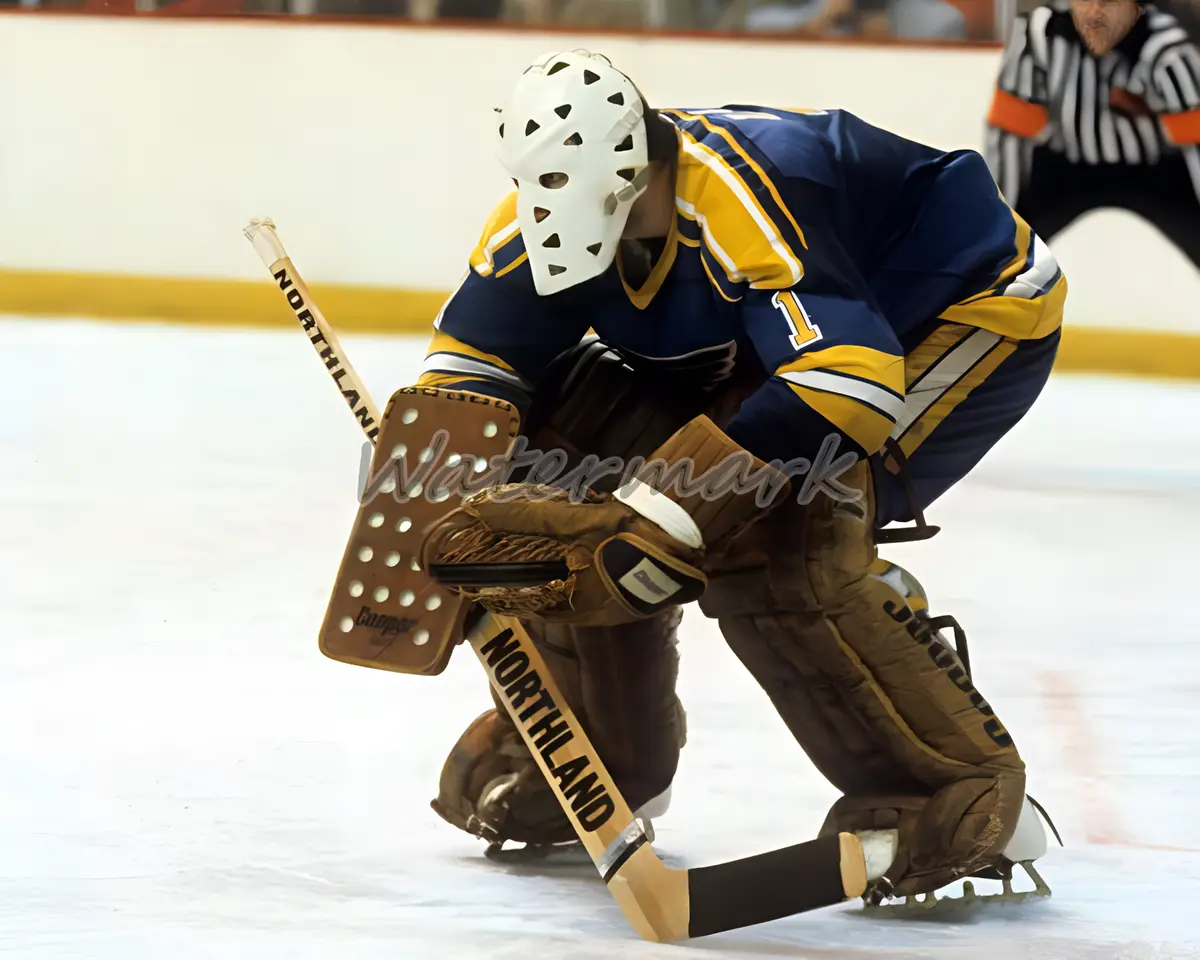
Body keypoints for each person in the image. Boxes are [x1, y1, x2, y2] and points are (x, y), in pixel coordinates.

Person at [415, 50, 1062, 906]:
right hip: (778, 349)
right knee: (556, 465)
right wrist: (425, 502)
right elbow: (465, 385)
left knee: (783, 536)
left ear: (629, 170)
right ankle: (608, 759)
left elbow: (848, 382)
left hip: (957, 311)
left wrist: (662, 517)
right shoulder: (540, 220)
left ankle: (950, 788)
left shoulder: (739, 196)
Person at [985, 0, 1200, 268]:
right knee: (1002, 257)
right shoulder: (1040, 35)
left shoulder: (1168, 47)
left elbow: (1196, 145)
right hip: (1065, 170)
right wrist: (1001, 228)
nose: (1094, 11)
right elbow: (1011, 137)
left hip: (1153, 174)